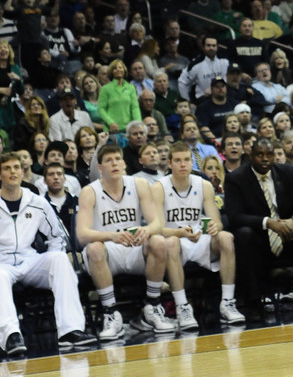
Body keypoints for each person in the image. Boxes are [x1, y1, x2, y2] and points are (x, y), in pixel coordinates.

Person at [224, 136, 293, 319]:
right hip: (259, 241)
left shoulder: (286, 172)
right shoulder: (236, 179)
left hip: (288, 236)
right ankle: (253, 303)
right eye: (259, 154)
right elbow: (235, 217)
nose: (265, 158)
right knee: (243, 235)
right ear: (250, 155)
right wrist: (267, 222)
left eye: (269, 154)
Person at [76, 142, 175, 339]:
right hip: (106, 253)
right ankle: (111, 313)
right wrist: (111, 236)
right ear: (100, 167)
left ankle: (152, 308)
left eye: (118, 159)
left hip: (134, 248)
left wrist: (145, 230)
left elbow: (157, 223)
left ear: (124, 163)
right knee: (94, 248)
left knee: (158, 242)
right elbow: (82, 234)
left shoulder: (139, 185)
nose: (114, 164)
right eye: (108, 160)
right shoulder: (89, 191)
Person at [0, 151, 94, 357]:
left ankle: (70, 331)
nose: (13, 172)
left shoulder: (36, 201)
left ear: (22, 171)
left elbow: (58, 237)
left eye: (16, 167)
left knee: (59, 259)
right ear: (0, 174)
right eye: (7, 168)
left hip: (30, 259)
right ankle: (11, 336)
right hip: (3, 264)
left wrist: (51, 259)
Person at [153, 141, 245, 327]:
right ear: (170, 163)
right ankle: (182, 307)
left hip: (198, 238)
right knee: (170, 242)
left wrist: (214, 228)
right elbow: (157, 228)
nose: (183, 164)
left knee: (227, 238)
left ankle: (227, 303)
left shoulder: (204, 185)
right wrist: (180, 232)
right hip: (175, 240)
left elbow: (217, 221)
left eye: (187, 160)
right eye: (178, 160)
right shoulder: (159, 187)